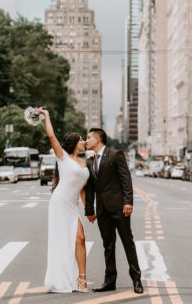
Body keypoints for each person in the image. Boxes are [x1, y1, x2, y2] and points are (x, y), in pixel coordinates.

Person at [37, 108, 91, 293]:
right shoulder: (63, 157)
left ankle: (82, 280)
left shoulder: (85, 163)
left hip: (73, 205)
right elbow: (51, 136)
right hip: (60, 203)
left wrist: (89, 210)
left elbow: (82, 188)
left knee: (80, 239)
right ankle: (66, 278)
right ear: (75, 143)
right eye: (82, 140)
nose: (84, 142)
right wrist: (47, 116)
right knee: (65, 239)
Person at [85, 128, 144, 294]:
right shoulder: (90, 162)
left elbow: (126, 179)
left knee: (127, 242)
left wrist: (128, 202)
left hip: (119, 207)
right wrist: (89, 210)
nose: (86, 140)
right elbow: (90, 189)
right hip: (102, 210)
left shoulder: (115, 154)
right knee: (108, 246)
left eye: (89, 137)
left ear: (98, 139)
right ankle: (110, 281)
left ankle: (137, 279)